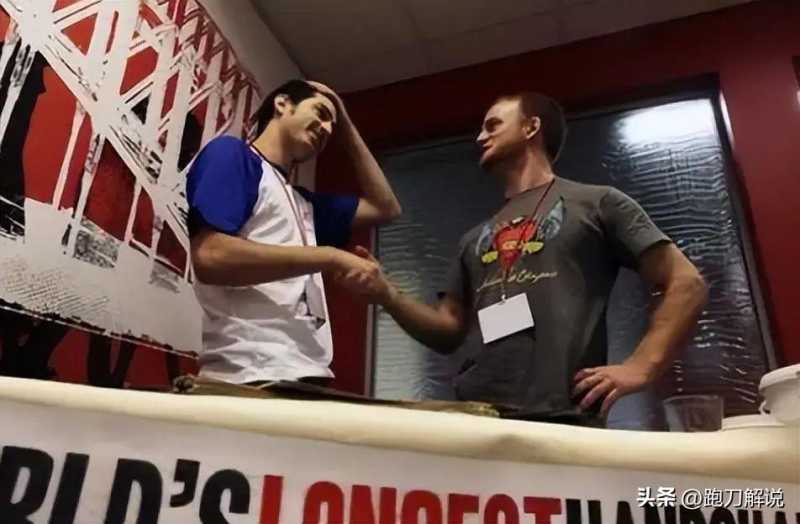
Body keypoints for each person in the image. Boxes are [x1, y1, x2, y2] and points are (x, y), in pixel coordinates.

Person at [356, 92, 708, 425]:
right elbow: (447, 331)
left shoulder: (597, 203)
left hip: (564, 417)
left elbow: (686, 283)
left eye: (493, 125)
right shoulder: (474, 238)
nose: (480, 137)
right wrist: (387, 293)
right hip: (476, 420)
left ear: (531, 127)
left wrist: (641, 367)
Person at [186, 79, 401, 385]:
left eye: (332, 126)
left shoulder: (303, 203)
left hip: (306, 374)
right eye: (321, 113)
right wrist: (331, 257)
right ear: (282, 104)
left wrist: (346, 127)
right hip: (251, 374)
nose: (327, 129)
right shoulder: (234, 156)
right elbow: (211, 256)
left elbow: (386, 208)